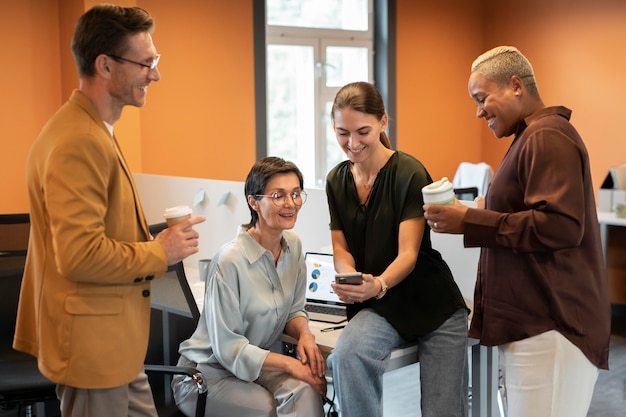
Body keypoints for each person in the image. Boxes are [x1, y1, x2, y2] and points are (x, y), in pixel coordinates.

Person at [13, 5, 205, 417]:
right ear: (105, 65)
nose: (155, 74)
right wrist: (160, 252)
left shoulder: (95, 129)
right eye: (146, 63)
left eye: (156, 61)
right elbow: (79, 254)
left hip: (115, 345)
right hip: (91, 349)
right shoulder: (76, 141)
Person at [423, 46, 611, 417]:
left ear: (515, 86)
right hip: (535, 324)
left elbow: (560, 226)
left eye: (482, 98)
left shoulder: (547, 137)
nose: (478, 111)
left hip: (552, 326)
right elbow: (529, 216)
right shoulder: (530, 137)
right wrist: (474, 213)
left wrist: (470, 222)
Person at [325, 81, 469, 417]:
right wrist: (349, 279)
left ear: (383, 122)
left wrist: (377, 285)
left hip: (430, 300)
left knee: (442, 410)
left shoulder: (409, 172)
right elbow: (341, 247)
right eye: (342, 132)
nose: (352, 143)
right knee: (347, 357)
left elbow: (408, 254)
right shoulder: (336, 180)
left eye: (362, 131)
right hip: (380, 304)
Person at [171, 157, 327, 417]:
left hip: (256, 367)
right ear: (253, 201)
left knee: (305, 393)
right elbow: (229, 349)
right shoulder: (229, 260)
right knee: (270, 410)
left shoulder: (294, 246)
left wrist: (305, 335)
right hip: (207, 374)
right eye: (278, 195)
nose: (290, 204)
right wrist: (290, 365)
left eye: (296, 194)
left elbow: (293, 311)